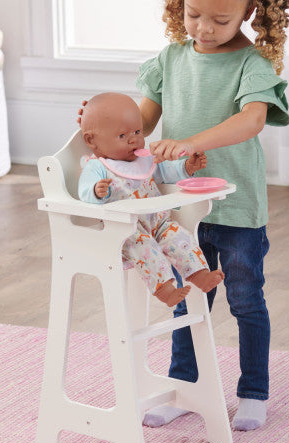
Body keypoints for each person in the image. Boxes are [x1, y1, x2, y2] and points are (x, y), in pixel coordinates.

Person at [135, 0, 289, 431]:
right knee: (188, 299)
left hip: (238, 211)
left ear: (248, 9)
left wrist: (189, 141)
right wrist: (108, 124)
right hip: (183, 210)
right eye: (193, 13)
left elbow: (251, 121)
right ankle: (186, 386)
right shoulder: (171, 60)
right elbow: (140, 121)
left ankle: (254, 391)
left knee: (246, 299)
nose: (203, 28)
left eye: (220, 20)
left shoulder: (252, 65)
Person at [78, 92, 224, 306]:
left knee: (181, 237)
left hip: (160, 222)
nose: (133, 139)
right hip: (126, 230)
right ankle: (164, 290)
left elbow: (165, 171)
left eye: (137, 131)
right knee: (144, 247)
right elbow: (84, 191)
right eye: (122, 136)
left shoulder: (143, 160)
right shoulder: (98, 166)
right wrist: (96, 190)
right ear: (92, 141)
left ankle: (200, 275)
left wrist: (186, 167)